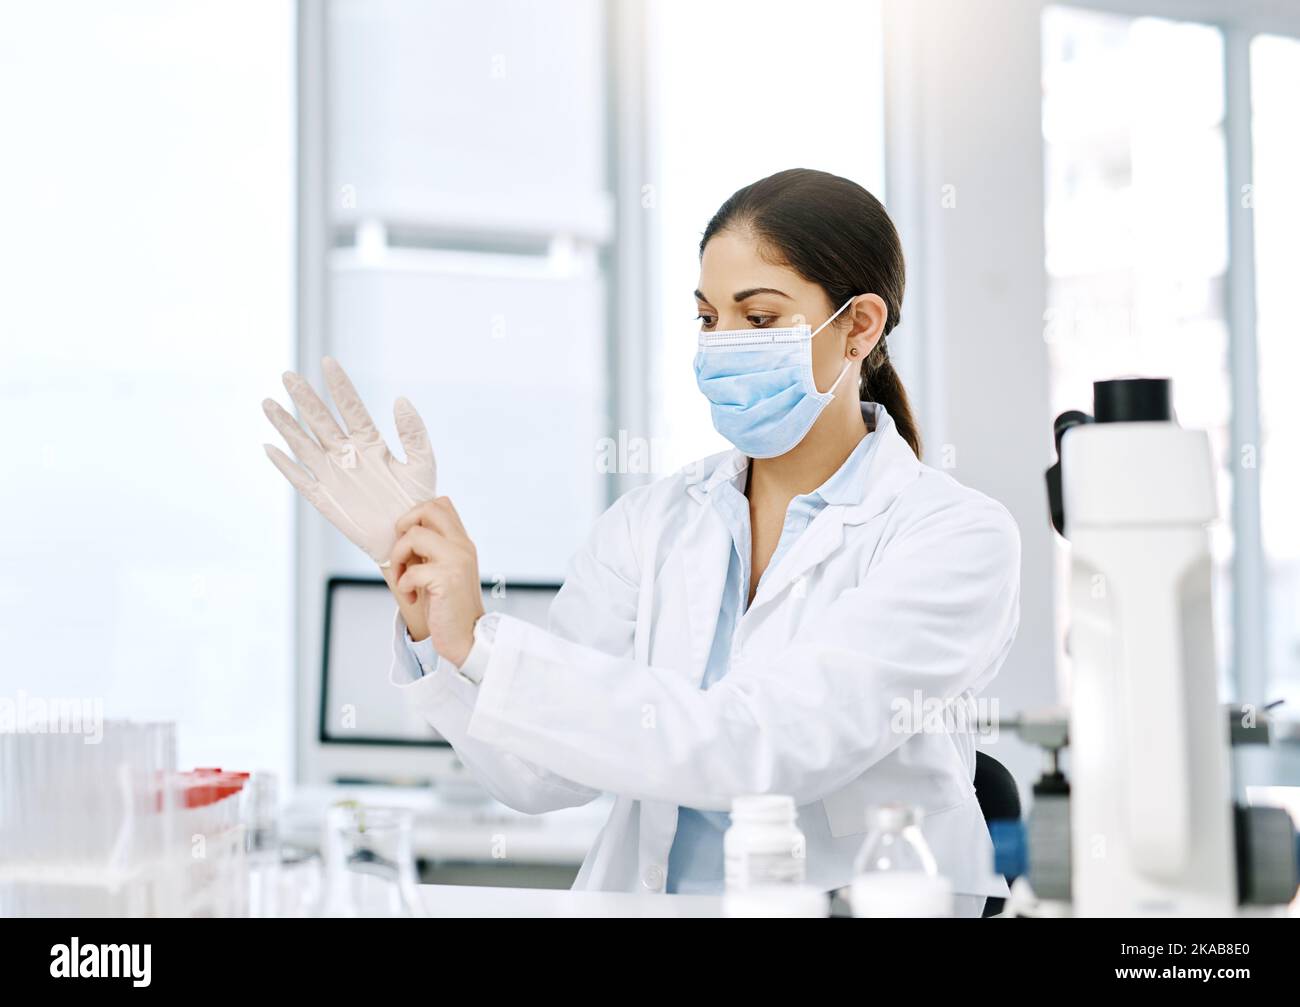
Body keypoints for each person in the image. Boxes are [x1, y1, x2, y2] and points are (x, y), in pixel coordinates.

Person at [263, 168, 1020, 916]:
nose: (721, 344)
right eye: (707, 317)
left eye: (757, 320)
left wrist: (490, 648)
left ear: (859, 326)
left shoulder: (954, 537)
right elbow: (536, 773)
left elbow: (765, 746)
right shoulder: (652, 523)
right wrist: (441, 620)